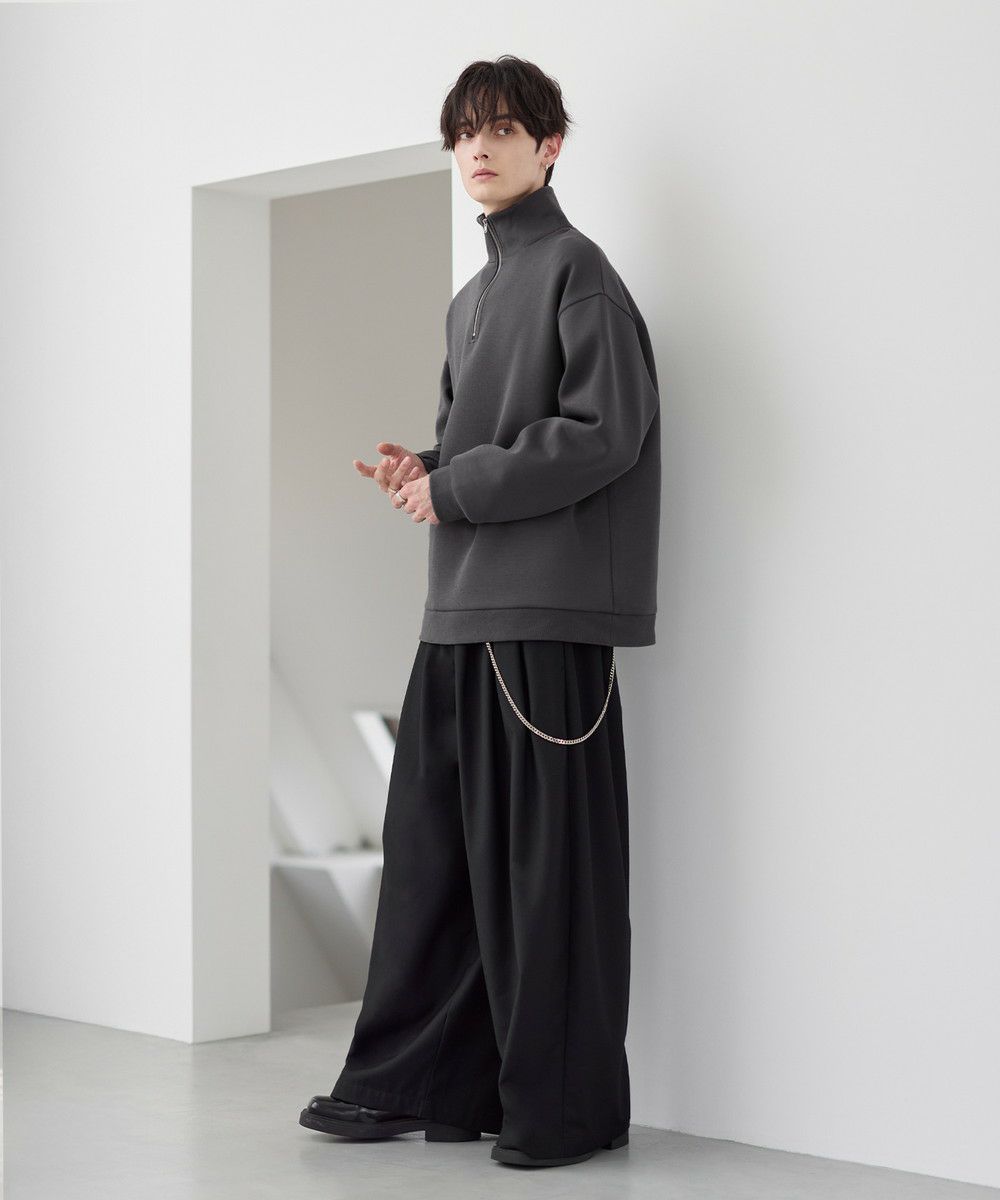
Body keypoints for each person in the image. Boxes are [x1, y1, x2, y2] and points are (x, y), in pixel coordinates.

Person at [298, 54, 661, 1169]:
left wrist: (454, 487)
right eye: (464, 134)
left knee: (546, 880)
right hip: (455, 612)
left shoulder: (577, 272)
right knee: (434, 870)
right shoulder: (471, 299)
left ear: (550, 146)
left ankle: (564, 1111)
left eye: (502, 130)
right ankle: (410, 1085)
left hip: (544, 618)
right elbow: (481, 444)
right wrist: (425, 465)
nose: (479, 150)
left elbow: (604, 434)